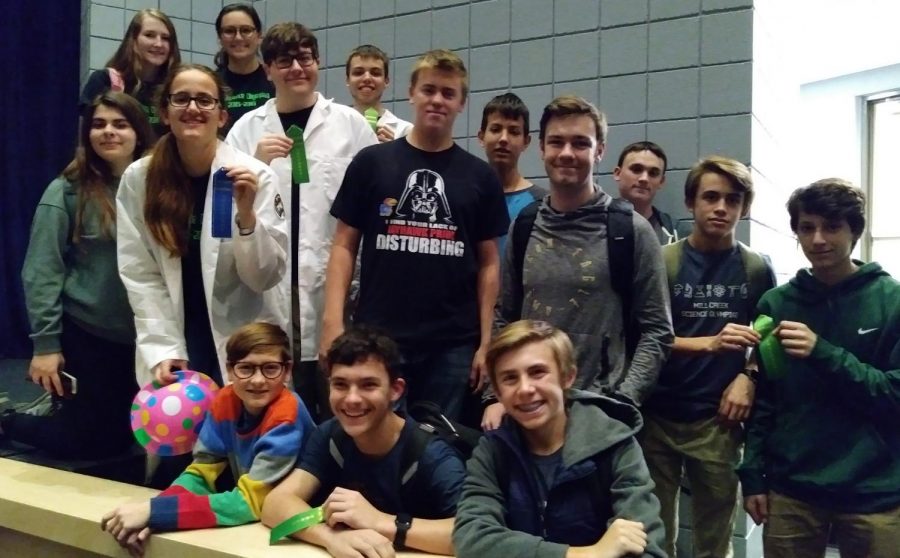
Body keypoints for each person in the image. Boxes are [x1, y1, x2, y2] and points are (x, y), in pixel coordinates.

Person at [321, 49, 509, 422]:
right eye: (429, 90)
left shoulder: (480, 177)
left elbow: (489, 264)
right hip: (380, 337)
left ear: (461, 103)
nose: (437, 100)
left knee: (439, 447)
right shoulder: (371, 163)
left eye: (448, 93)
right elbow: (343, 245)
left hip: (452, 344)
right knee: (378, 440)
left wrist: (487, 343)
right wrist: (332, 321)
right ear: (411, 93)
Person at [483, 95, 672, 429]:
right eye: (556, 142)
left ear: (599, 151)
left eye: (580, 143)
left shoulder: (631, 231)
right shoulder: (525, 225)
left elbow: (657, 331)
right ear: (541, 148)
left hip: (599, 415)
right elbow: (505, 316)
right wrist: (495, 396)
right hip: (527, 410)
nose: (567, 153)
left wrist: (623, 402)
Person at [738, 179, 900, 558]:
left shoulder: (891, 302)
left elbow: (894, 395)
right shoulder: (777, 304)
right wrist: (752, 476)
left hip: (875, 491)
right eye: (807, 228)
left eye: (832, 227)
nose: (818, 239)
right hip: (793, 489)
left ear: (855, 232)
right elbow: (766, 399)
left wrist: (822, 352)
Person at [226, 23, 376, 419]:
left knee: (339, 414)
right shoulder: (246, 131)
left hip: (333, 297)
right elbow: (223, 215)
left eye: (305, 58)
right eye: (284, 60)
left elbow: (373, 206)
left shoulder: (350, 126)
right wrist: (254, 165)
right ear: (267, 68)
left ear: (318, 62)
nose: (296, 67)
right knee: (277, 420)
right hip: (268, 296)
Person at [0, 93, 154, 457]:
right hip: (88, 332)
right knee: (91, 443)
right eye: (99, 125)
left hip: (142, 338)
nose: (108, 132)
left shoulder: (159, 186)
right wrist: (47, 346)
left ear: (138, 132)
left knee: (132, 437)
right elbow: (41, 270)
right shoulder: (66, 190)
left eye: (120, 124)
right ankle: (11, 419)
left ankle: (63, 411)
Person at [117, 64, 289, 388]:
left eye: (204, 100)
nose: (193, 108)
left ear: (222, 116)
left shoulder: (253, 176)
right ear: (165, 113)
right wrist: (162, 348)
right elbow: (141, 273)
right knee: (180, 432)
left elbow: (263, 277)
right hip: (176, 329)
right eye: (181, 98)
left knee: (240, 429)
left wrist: (247, 216)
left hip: (241, 328)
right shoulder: (139, 179)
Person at [640, 156, 775, 558]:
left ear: (744, 208)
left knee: (714, 540)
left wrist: (748, 375)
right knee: (654, 534)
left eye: (732, 200)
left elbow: (767, 336)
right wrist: (709, 343)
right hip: (658, 416)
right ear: (691, 203)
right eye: (711, 197)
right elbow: (644, 337)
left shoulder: (755, 268)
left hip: (719, 420)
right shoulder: (663, 262)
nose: (721, 208)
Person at [454, 320, 666, 558]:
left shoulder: (615, 444)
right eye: (510, 378)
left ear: (567, 377)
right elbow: (471, 538)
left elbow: (647, 549)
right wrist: (585, 555)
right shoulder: (493, 450)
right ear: (498, 391)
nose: (524, 389)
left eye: (537, 372)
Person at [101, 322, 315, 557]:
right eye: (246, 368)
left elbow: (250, 503)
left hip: (306, 521)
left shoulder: (287, 415)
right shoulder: (225, 401)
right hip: (265, 517)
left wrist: (155, 512)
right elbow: (201, 473)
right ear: (230, 370)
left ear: (287, 370)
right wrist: (156, 513)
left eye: (270, 368)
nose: (257, 380)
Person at [262, 326, 465, 557]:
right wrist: (330, 538)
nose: (352, 399)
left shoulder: (431, 454)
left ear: (395, 390)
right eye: (340, 384)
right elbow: (275, 503)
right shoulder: (330, 435)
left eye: (368, 385)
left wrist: (380, 522)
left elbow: (475, 533)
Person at [79, 9, 181, 136]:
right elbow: (87, 136)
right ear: (133, 40)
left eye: (166, 38)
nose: (159, 44)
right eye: (149, 35)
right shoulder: (105, 81)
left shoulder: (174, 90)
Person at [476, 92, 546, 257]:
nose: (504, 139)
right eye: (495, 129)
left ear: (526, 142)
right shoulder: (465, 198)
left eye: (514, 132)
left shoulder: (542, 203)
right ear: (481, 137)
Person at [213, 3, 273, 136]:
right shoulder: (211, 84)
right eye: (229, 31)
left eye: (246, 30)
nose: (238, 37)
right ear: (220, 38)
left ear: (259, 36)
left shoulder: (275, 79)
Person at [345, 44, 413, 142]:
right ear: (347, 80)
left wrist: (395, 153)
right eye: (358, 72)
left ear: (386, 81)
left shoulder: (406, 132)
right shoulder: (333, 126)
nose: (367, 78)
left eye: (375, 73)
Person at [614, 141, 676, 244]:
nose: (644, 179)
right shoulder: (595, 226)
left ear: (661, 182)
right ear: (617, 174)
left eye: (653, 173)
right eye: (636, 169)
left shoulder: (677, 233)